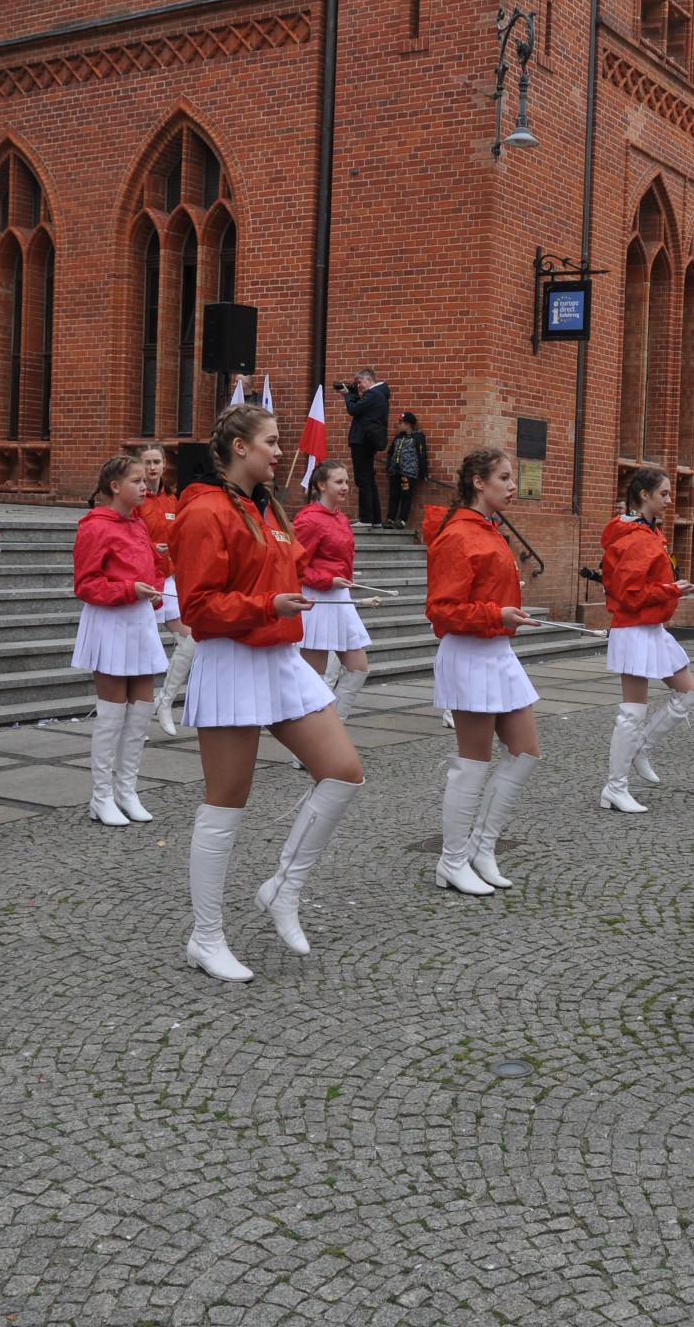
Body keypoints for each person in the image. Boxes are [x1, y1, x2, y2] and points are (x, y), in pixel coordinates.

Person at [174, 403, 365, 978]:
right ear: (240, 447)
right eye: (273, 442)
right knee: (226, 801)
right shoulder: (204, 510)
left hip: (279, 655)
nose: (282, 453)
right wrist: (267, 604)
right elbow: (198, 608)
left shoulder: (269, 506)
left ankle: (283, 887)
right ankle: (206, 936)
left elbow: (288, 565)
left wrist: (312, 581)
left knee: (343, 772)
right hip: (232, 659)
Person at [425, 448, 545, 895]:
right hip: (470, 653)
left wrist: (505, 615)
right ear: (479, 482)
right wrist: (499, 614)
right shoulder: (458, 535)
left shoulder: (489, 529)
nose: (513, 486)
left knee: (526, 752)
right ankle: (451, 860)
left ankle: (482, 847)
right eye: (504, 478)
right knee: (472, 763)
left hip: (497, 651)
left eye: (512, 478)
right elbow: (441, 609)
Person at [598, 466, 694, 813]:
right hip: (634, 628)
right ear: (645, 496)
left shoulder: (647, 532)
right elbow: (630, 595)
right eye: (664, 494)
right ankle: (615, 787)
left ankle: (641, 748)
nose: (670, 500)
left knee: (690, 693)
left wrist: (672, 589)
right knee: (632, 713)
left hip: (652, 628)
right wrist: (671, 589)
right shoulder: (637, 537)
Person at [74, 456, 170, 827]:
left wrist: (155, 592)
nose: (145, 486)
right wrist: (130, 590)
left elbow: (153, 569)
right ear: (115, 487)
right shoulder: (95, 526)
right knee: (111, 714)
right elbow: (86, 584)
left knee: (142, 709)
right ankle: (101, 796)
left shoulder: (139, 523)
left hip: (139, 619)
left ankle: (127, 790)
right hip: (111, 621)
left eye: (145, 480)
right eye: (136, 480)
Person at [294, 460, 375, 721]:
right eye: (339, 482)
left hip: (340, 597)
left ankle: (334, 728)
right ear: (321, 485)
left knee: (358, 668)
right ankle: (312, 737)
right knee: (314, 677)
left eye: (347, 481)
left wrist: (342, 579)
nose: (345, 487)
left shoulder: (340, 517)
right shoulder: (309, 519)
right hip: (317, 599)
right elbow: (293, 566)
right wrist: (328, 580)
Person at [138, 444, 196, 737]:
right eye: (147, 462)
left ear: (164, 465)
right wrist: (151, 549)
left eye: (156, 462)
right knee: (140, 651)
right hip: (142, 579)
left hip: (169, 578)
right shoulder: (136, 499)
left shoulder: (173, 498)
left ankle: (165, 700)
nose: (152, 467)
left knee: (191, 639)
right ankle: (135, 719)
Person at [341, 366, 390, 528]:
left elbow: (353, 409)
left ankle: (366, 518)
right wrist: (355, 395)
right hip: (368, 440)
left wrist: (347, 395)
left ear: (369, 380)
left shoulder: (374, 394)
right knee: (368, 479)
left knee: (363, 480)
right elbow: (361, 409)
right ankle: (375, 520)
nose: (359, 386)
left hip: (362, 440)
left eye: (359, 382)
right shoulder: (379, 394)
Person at [384, 411, 428, 530]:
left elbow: (422, 454)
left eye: (400, 423)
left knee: (406, 496)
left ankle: (402, 520)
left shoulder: (418, 437)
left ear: (408, 425)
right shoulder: (398, 437)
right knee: (394, 495)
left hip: (408, 472)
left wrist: (424, 472)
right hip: (395, 471)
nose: (398, 425)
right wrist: (389, 466)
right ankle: (390, 518)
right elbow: (391, 451)